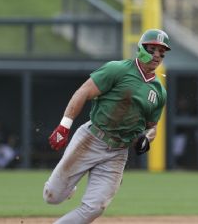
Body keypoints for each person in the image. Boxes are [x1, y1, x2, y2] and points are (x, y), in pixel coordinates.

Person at [43, 29, 170, 223]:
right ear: (141, 49)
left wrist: (147, 136)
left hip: (118, 152)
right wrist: (64, 126)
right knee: (51, 197)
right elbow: (83, 92)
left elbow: (152, 126)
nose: (157, 55)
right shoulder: (117, 69)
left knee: (95, 208)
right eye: (152, 49)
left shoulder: (159, 91)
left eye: (162, 52)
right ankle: (68, 188)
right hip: (91, 138)